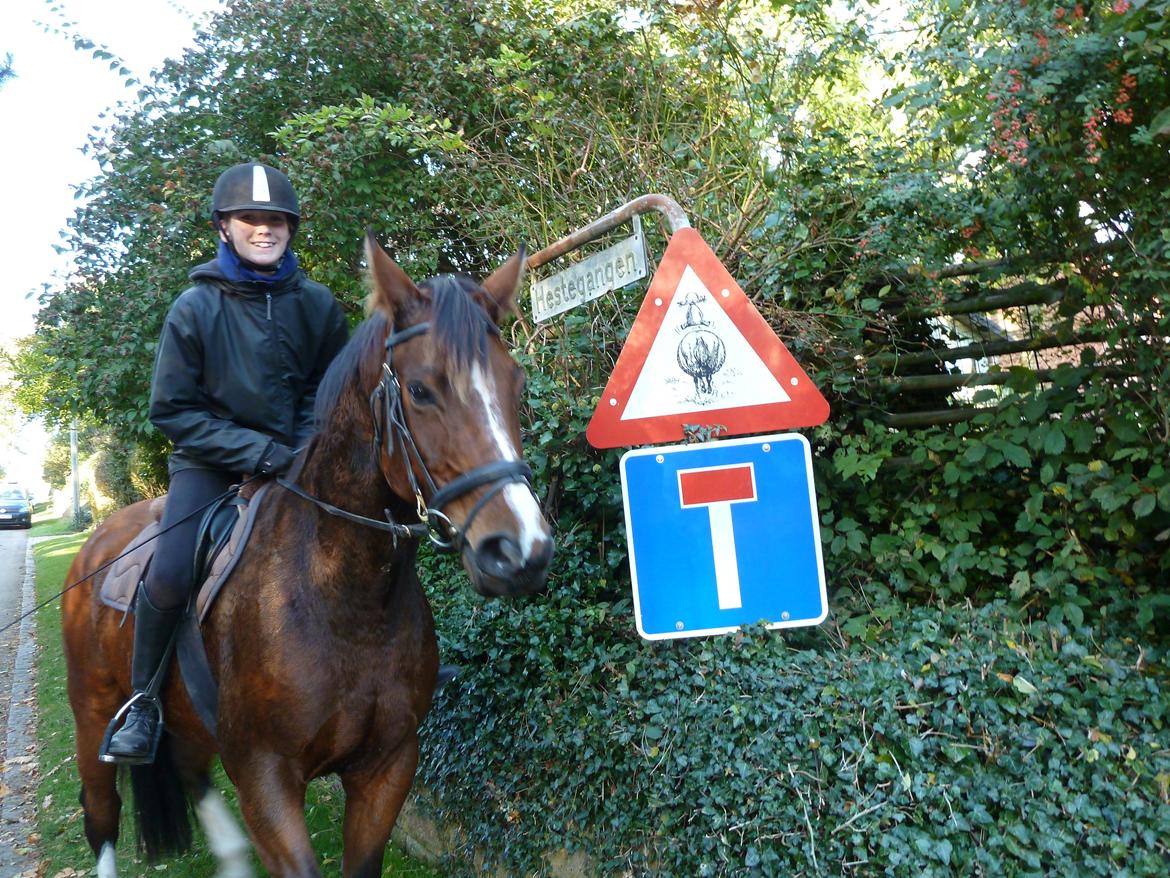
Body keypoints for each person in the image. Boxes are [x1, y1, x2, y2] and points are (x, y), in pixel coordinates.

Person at [102, 162, 349, 764]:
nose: (263, 230)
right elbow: (173, 409)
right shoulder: (194, 308)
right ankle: (143, 703)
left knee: (371, 536)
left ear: (291, 228)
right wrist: (259, 452)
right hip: (209, 465)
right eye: (250, 219)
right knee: (169, 570)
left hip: (300, 461)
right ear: (224, 227)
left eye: (275, 221)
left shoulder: (318, 306)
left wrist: (301, 450)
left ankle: (402, 667)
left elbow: (332, 392)